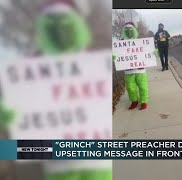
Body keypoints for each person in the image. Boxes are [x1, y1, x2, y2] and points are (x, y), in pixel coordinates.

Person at [0, 0, 112, 179]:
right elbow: (20, 115)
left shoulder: (94, 62)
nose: (61, 29)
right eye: (54, 24)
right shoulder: (28, 72)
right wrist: (8, 114)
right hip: (58, 160)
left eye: (66, 23)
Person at [113, 22, 158, 110]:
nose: (129, 32)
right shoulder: (120, 44)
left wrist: (153, 52)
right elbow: (118, 55)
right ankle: (134, 101)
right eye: (127, 30)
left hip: (140, 70)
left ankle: (144, 101)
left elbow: (147, 51)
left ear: (134, 30)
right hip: (128, 71)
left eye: (130, 30)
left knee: (143, 87)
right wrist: (114, 57)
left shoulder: (140, 42)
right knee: (130, 88)